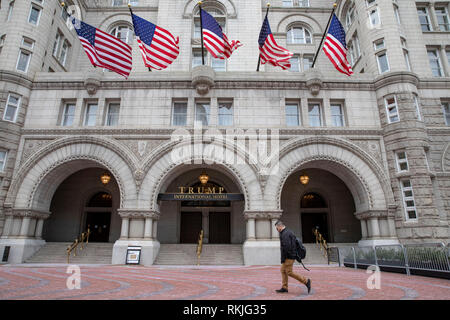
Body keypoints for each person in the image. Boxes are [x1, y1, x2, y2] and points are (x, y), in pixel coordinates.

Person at [275, 220, 311, 294]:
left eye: (277, 228)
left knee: (289, 272)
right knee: (283, 270)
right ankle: (284, 287)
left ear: (280, 226)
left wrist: (285, 257)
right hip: (289, 256)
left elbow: (287, 247)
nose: (277, 230)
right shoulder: (287, 232)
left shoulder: (285, 234)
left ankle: (306, 281)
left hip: (289, 257)